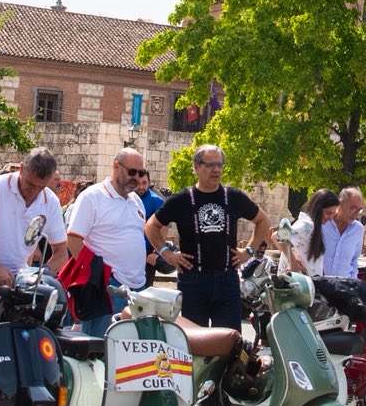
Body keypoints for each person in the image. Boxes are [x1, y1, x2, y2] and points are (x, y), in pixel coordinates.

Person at [145, 144, 270, 329]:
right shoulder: (182, 199)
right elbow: (151, 226)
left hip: (227, 279)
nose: (216, 169)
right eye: (210, 165)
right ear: (196, 167)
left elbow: (263, 221)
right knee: (196, 344)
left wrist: (250, 250)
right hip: (193, 281)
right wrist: (166, 253)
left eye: (220, 165)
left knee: (229, 343)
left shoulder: (233, 196)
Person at [0, 147, 69, 289]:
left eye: (41, 187)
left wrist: (38, 276)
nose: (34, 192)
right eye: (30, 184)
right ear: (21, 169)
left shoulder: (51, 201)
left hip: (18, 283)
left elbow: (61, 253)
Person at [65, 149, 150, 336]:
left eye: (141, 173)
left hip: (137, 290)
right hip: (107, 288)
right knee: (100, 350)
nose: (136, 177)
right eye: (132, 172)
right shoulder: (92, 196)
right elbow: (73, 239)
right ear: (116, 166)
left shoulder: (136, 200)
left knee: (131, 355)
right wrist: (97, 275)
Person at [289, 189, 338, 275]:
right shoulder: (307, 225)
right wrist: (294, 263)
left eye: (333, 214)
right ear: (318, 208)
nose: (330, 218)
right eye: (328, 213)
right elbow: (277, 236)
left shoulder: (313, 226)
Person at [322, 188, 366, 280]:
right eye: (353, 208)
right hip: (319, 286)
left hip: (344, 288)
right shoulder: (323, 223)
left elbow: (354, 260)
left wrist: (352, 281)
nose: (356, 214)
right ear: (340, 204)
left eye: (359, 210)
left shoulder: (358, 230)